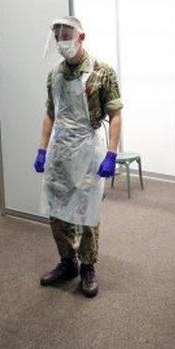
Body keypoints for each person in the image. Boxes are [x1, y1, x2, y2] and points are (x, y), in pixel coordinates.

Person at [34, 16, 122, 298]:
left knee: (86, 211)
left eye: (66, 35)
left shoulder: (101, 72)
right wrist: (42, 148)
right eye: (58, 36)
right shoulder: (54, 75)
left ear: (80, 37)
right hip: (60, 150)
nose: (62, 42)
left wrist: (111, 153)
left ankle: (87, 266)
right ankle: (67, 261)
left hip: (87, 150)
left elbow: (115, 114)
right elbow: (50, 113)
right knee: (57, 210)